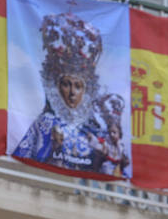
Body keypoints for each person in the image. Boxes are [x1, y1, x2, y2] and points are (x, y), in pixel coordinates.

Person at [11, 13, 118, 175]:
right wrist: (55, 148)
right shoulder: (44, 124)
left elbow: (109, 171)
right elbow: (25, 162)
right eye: (66, 84)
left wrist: (101, 156)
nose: (72, 93)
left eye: (78, 86)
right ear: (56, 86)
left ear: (86, 90)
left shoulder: (96, 130)